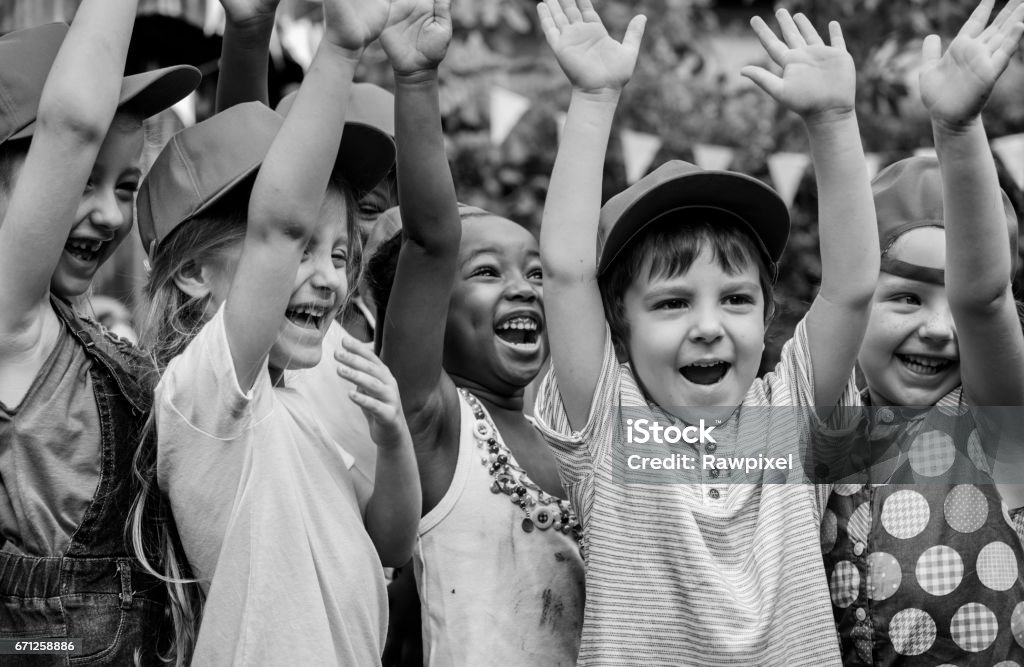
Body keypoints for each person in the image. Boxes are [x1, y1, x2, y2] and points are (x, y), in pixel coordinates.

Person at [533, 0, 879, 664]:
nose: (709, 327)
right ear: (618, 323)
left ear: (769, 312)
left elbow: (851, 286)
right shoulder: (608, 419)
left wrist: (834, 122)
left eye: (736, 299)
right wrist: (595, 97)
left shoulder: (791, 417)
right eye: (671, 303)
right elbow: (567, 274)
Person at [134, 0, 420, 661]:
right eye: (301, 250)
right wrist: (340, 49)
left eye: (341, 253)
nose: (328, 277)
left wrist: (393, 436)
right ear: (194, 273)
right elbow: (276, 224)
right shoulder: (204, 396)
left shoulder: (321, 377)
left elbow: (394, 543)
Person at [366, 0, 585, 663]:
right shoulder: (434, 424)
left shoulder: (572, 435)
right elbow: (432, 242)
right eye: (488, 270)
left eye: (537, 273)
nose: (524, 286)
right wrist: (416, 80)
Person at [823, 1, 1024, 663]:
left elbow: (985, 299)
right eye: (907, 296)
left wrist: (958, 128)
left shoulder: (999, 426)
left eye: (954, 307)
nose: (941, 329)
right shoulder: (820, 430)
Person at [0, 4, 200, 663]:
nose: (111, 212)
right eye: (82, 179)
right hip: (40, 641)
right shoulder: (12, 321)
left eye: (126, 184)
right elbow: (72, 123)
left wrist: (251, 35)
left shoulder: (75, 329)